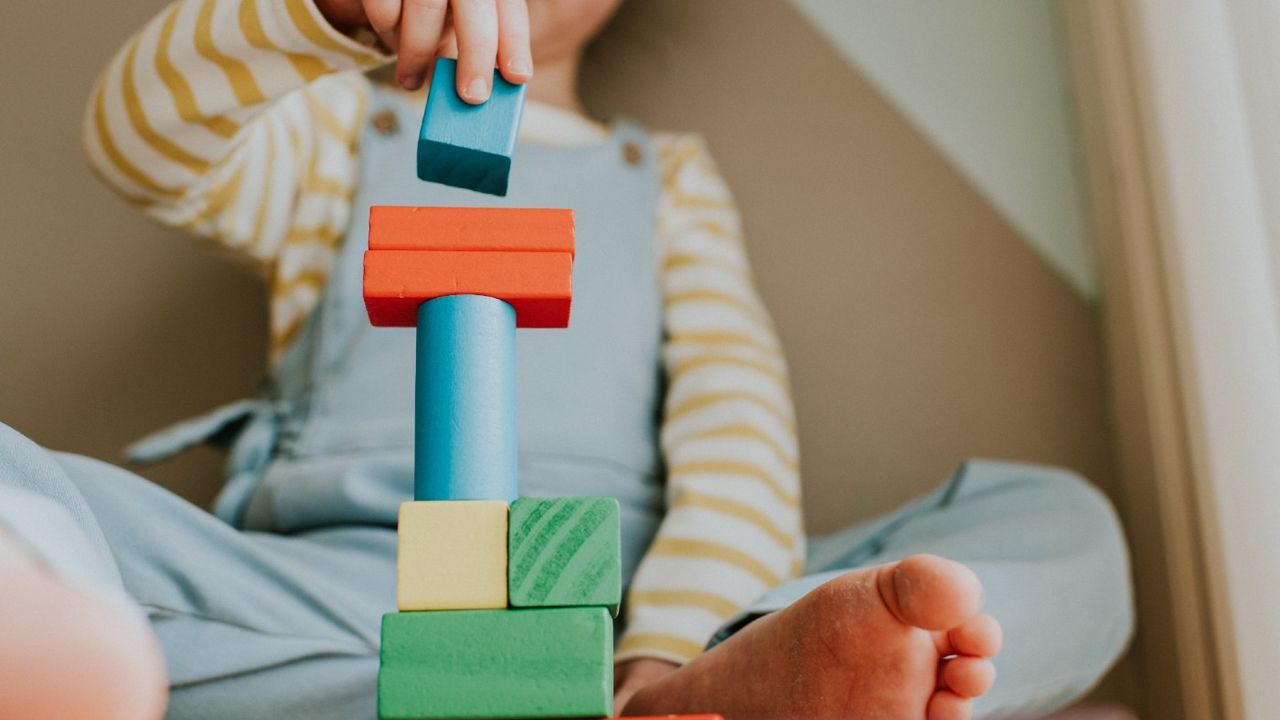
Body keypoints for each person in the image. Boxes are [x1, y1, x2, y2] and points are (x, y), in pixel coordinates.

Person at [0, 1, 1133, 718]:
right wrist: (325, 18)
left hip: (634, 606)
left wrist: (672, 649)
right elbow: (139, 144)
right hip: (355, 588)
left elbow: (737, 443)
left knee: (1055, 520)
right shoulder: (332, 132)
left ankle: (734, 691)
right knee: (45, 495)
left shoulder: (666, 178)